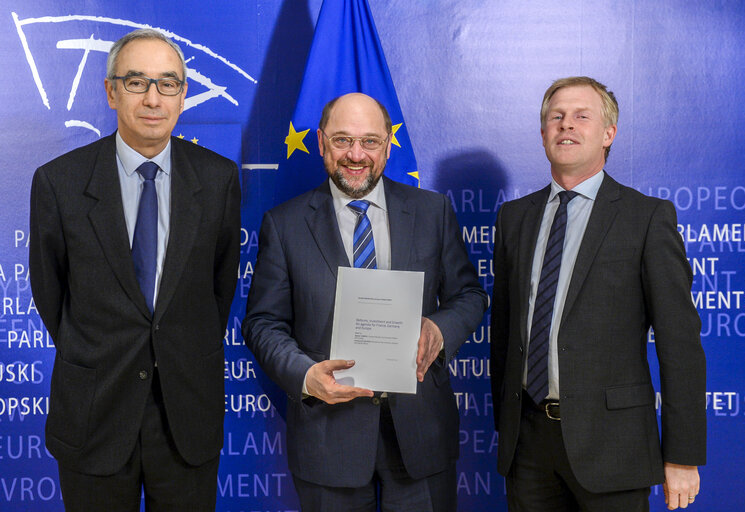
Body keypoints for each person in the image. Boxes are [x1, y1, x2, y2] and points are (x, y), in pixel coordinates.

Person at [242, 92, 486, 511]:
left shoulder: (432, 212)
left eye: (370, 141)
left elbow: (469, 295)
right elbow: (262, 323)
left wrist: (439, 329)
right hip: (327, 439)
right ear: (320, 142)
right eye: (342, 140)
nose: (356, 155)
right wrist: (305, 375)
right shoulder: (284, 225)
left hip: (421, 434)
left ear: (388, 145)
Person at [29, 29, 240, 511]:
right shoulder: (58, 183)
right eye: (137, 81)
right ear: (111, 91)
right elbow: (51, 293)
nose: (153, 98)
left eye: (168, 83)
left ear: (183, 95)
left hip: (187, 414)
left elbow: (218, 290)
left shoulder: (218, 178)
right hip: (94, 413)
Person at [490, 76, 706, 511]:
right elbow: (505, 330)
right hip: (528, 447)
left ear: (608, 134)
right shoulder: (514, 218)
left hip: (614, 450)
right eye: (556, 117)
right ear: (543, 132)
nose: (566, 125)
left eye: (581, 116)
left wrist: (681, 456)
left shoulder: (646, 218)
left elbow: (679, 344)